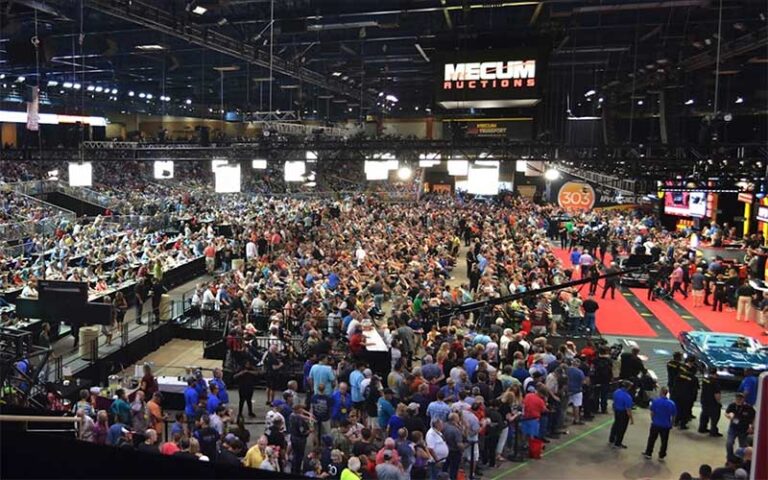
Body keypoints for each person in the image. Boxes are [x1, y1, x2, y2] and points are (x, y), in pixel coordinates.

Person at [643, 386, 676, 460]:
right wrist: (671, 424)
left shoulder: (656, 401)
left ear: (661, 392)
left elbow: (652, 412)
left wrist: (653, 419)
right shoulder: (672, 403)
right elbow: (673, 416)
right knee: (664, 441)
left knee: (652, 439)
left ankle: (648, 453)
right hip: (666, 425)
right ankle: (661, 455)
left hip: (656, 424)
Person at [724, 392, 755, 461]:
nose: (738, 400)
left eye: (740, 398)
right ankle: (730, 458)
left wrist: (752, 427)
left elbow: (754, 418)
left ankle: (742, 460)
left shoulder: (749, 408)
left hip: (744, 429)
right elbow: (726, 412)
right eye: (737, 398)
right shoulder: (732, 405)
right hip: (733, 428)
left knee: (743, 446)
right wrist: (728, 415)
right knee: (729, 443)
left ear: (743, 399)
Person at [609, 381, 634, 449]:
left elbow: (614, 402)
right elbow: (628, 410)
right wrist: (631, 419)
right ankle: (618, 443)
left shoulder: (616, 392)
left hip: (617, 411)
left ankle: (612, 439)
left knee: (616, 424)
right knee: (622, 428)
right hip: (623, 413)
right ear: (628, 387)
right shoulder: (627, 397)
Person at [698, 368, 722, 437]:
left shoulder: (705, 380)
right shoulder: (715, 382)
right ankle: (713, 431)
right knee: (715, 417)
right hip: (713, 402)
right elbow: (717, 394)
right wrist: (719, 402)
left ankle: (702, 428)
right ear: (716, 374)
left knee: (704, 414)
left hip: (704, 400)